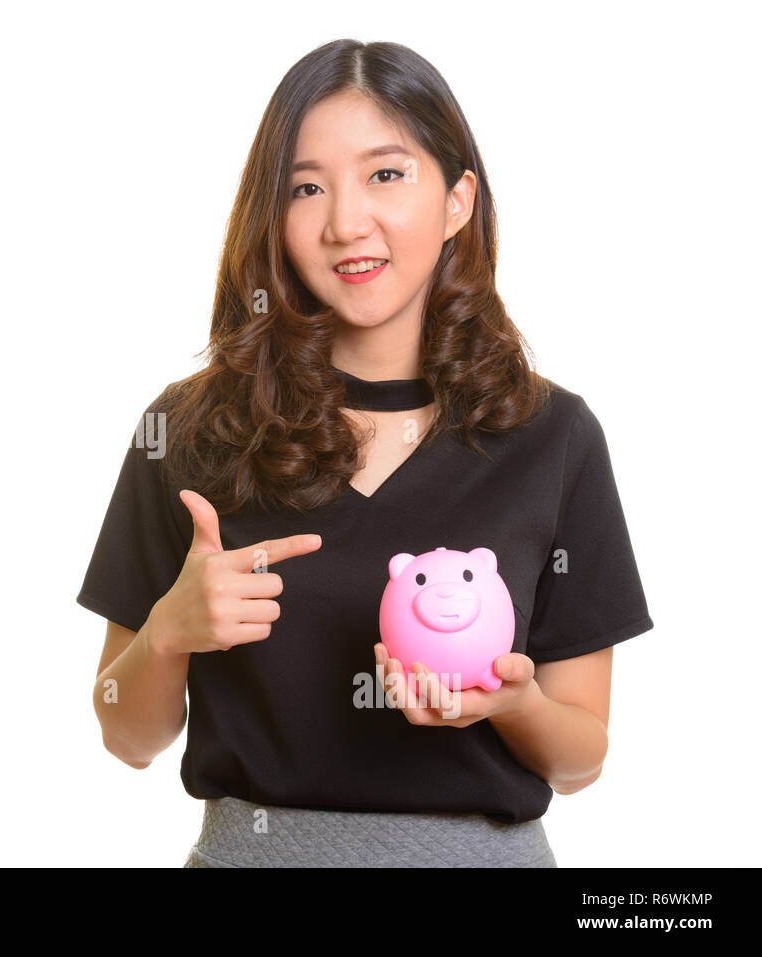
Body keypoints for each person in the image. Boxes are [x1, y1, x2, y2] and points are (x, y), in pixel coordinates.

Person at [75, 39, 653, 867]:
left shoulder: (552, 436)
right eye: (306, 187)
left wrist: (510, 701)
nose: (346, 221)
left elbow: (581, 757)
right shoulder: (189, 431)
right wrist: (169, 631)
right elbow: (126, 736)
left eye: (387, 174)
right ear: (272, 216)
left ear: (458, 200)